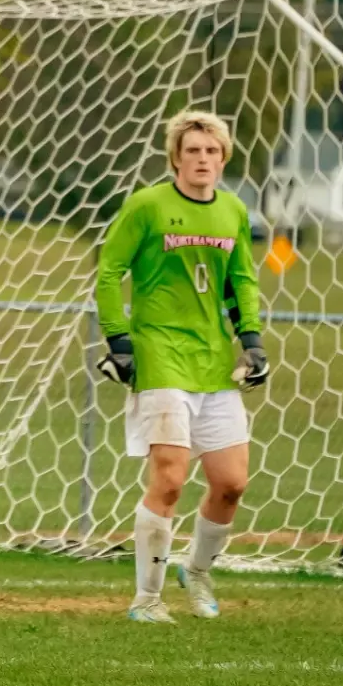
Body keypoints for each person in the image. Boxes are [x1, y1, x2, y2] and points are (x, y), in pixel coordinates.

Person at [94, 109, 268, 624]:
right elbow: (108, 273)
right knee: (170, 477)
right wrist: (120, 342)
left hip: (213, 364)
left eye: (212, 151)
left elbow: (242, 281)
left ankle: (196, 569)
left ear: (223, 158)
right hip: (160, 355)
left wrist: (252, 344)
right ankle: (146, 600)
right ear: (175, 157)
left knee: (233, 483)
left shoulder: (233, 211)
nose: (202, 159)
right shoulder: (147, 206)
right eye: (192, 150)